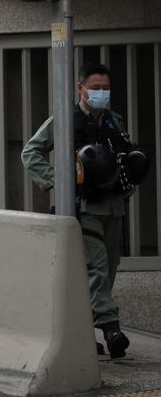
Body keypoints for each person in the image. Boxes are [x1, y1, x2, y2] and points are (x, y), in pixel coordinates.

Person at [22, 63, 141, 359]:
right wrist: (57, 182)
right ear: (81, 88)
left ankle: (82, 334)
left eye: (105, 88)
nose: (101, 93)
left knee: (107, 271)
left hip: (113, 207)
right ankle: (111, 330)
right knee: (97, 268)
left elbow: (122, 157)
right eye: (96, 88)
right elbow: (30, 152)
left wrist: (129, 180)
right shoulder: (65, 119)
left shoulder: (114, 121)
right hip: (84, 207)